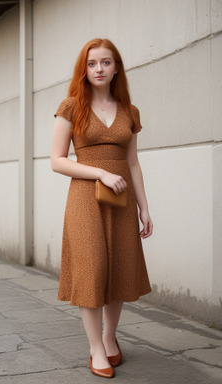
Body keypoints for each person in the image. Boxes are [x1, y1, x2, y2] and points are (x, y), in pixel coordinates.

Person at [51, 38, 153, 379]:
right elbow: (57, 161)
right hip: (84, 198)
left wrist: (144, 208)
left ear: (116, 67)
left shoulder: (129, 111)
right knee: (93, 268)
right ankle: (96, 348)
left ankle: (110, 338)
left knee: (119, 268)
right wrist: (99, 172)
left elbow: (133, 163)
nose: (99, 69)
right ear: (85, 69)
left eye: (105, 62)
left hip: (122, 200)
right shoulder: (70, 107)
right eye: (92, 63)